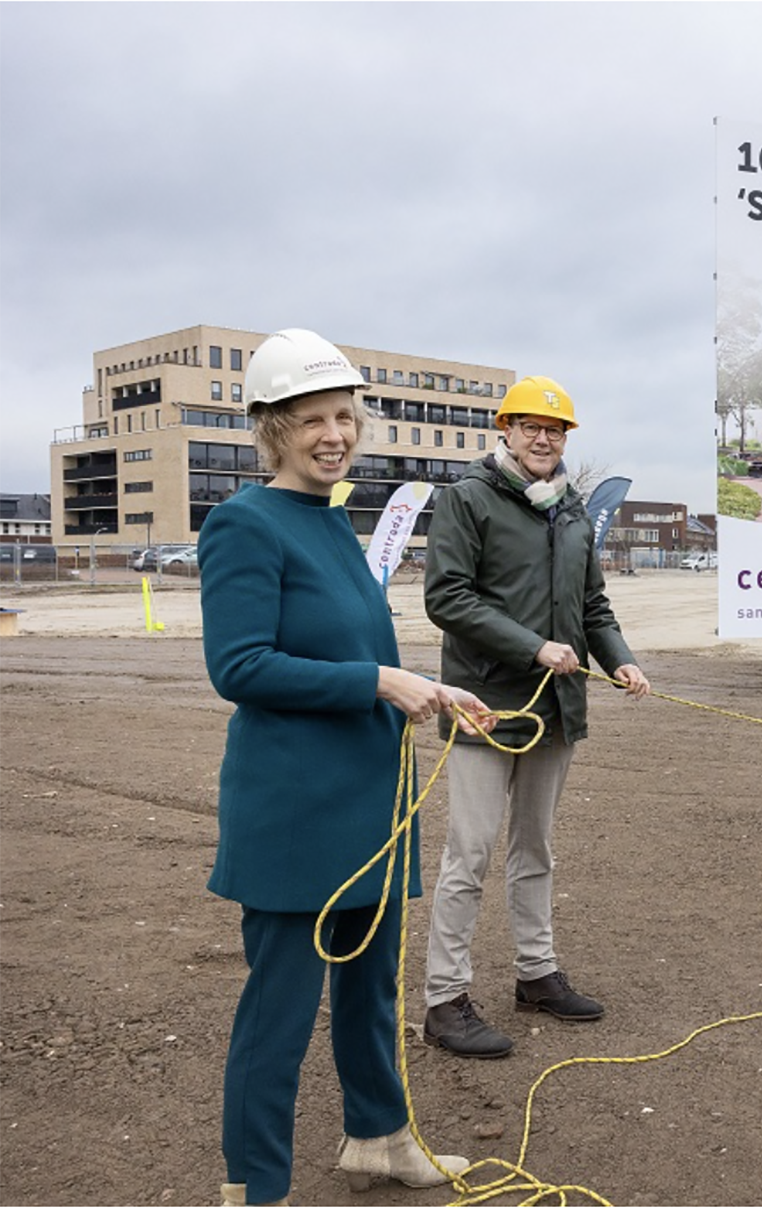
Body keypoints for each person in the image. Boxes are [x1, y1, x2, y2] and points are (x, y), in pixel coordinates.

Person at [200, 329, 488, 1206]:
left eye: (345, 417)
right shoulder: (243, 523)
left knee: (370, 995)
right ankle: (253, 1188)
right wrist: (379, 680)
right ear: (272, 427)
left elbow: (358, 657)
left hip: (369, 805)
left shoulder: (334, 523)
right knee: (278, 1017)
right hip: (294, 815)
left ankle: (380, 1137)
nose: (336, 434)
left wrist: (427, 689)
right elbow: (238, 666)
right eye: (314, 419)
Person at [421, 375, 651, 1059]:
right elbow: (447, 597)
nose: (543, 437)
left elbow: (593, 608)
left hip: (556, 707)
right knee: (469, 853)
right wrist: (532, 646)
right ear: (506, 430)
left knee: (535, 850)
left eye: (554, 429)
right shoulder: (467, 500)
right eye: (529, 426)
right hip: (487, 707)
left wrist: (619, 659)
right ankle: (444, 998)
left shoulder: (574, 512)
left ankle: (536, 973)